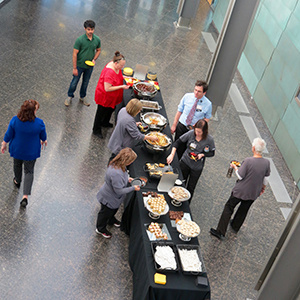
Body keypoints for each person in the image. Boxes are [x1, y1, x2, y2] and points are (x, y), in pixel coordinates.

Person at [210, 138, 271, 240]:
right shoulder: (266, 163)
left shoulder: (248, 161)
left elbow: (240, 176)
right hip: (253, 192)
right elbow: (266, 179)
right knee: (244, 209)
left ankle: (220, 231)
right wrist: (262, 189)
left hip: (240, 191)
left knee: (229, 207)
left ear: (254, 148)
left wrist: (235, 167)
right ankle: (235, 226)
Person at [1, 100, 47, 208]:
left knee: (17, 165)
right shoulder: (39, 123)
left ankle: (17, 180)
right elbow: (43, 136)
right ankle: (25, 196)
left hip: (17, 150)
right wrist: (44, 140)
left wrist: (3, 144)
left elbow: (8, 134)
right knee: (29, 171)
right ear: (32, 112)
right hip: (31, 152)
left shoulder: (15, 120)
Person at [95, 148, 140, 239]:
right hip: (109, 198)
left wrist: (127, 179)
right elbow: (119, 190)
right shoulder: (116, 174)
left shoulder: (117, 164)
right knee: (104, 214)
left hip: (114, 199)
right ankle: (100, 228)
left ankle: (111, 219)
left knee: (112, 211)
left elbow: (122, 177)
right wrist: (132, 188)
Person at [167, 119, 215, 202]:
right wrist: (172, 154)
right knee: (179, 182)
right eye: (196, 131)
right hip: (185, 162)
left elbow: (212, 153)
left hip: (197, 167)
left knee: (191, 187)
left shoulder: (209, 140)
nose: (197, 133)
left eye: (199, 132)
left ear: (204, 131)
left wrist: (202, 154)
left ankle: (186, 204)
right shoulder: (191, 133)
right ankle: (176, 200)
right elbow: (177, 142)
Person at [170, 80, 212, 159]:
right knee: (177, 145)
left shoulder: (208, 104)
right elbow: (179, 111)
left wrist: (199, 127)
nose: (196, 92)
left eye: (199, 91)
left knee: (188, 149)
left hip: (193, 130)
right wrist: (174, 125)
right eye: (195, 90)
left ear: (204, 93)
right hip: (182, 125)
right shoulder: (187, 96)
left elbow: (207, 117)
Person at [92, 51, 129, 138]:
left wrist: (125, 79)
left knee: (110, 109)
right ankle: (96, 129)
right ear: (116, 63)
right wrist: (121, 87)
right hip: (104, 96)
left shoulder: (115, 66)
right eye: (121, 66)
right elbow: (107, 88)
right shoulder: (109, 72)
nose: (122, 67)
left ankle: (105, 122)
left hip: (112, 96)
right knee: (101, 112)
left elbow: (118, 76)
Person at [65, 20, 101, 107]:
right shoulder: (80, 40)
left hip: (89, 66)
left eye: (92, 29)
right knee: (74, 82)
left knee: (86, 82)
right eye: (88, 29)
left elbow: (98, 50)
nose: (90, 31)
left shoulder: (97, 39)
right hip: (79, 65)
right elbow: (74, 54)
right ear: (85, 29)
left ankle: (82, 96)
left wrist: (94, 59)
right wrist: (74, 68)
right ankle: (69, 96)